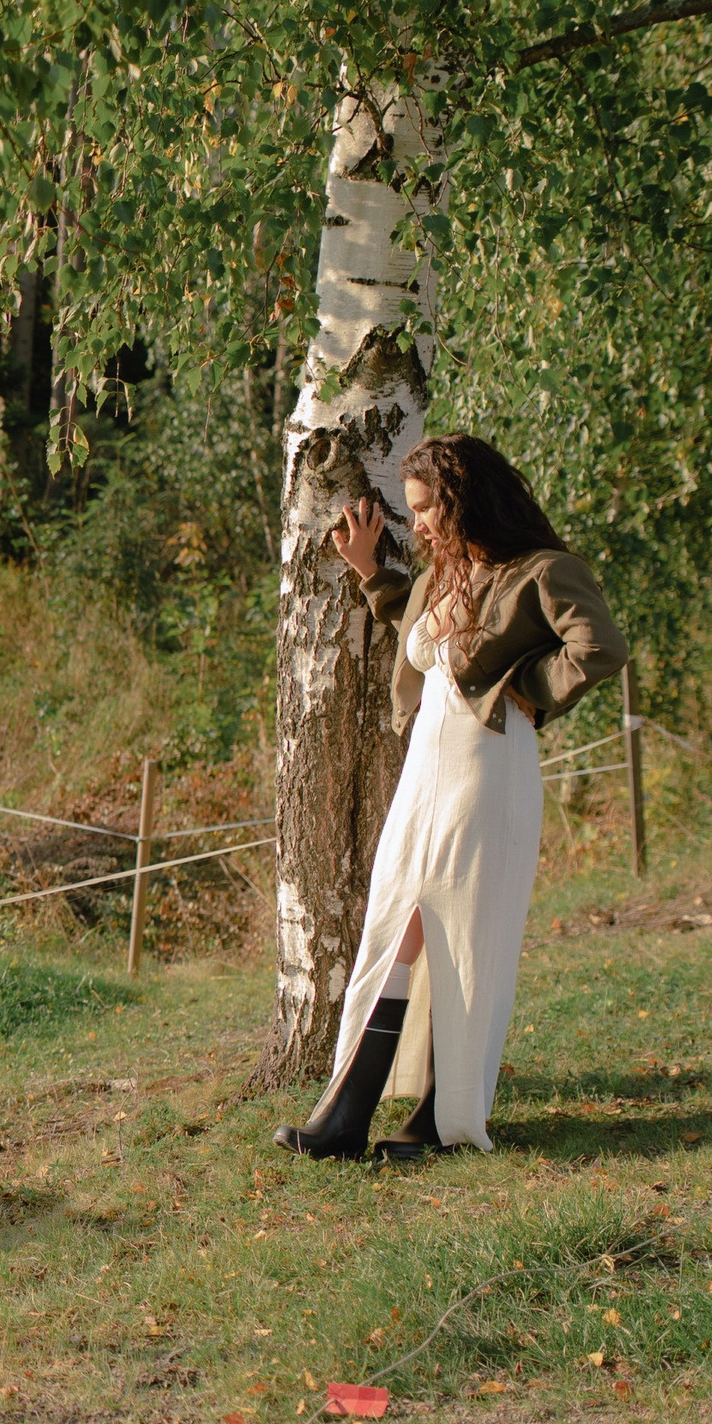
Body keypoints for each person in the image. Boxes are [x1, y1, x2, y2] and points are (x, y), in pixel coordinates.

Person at [274, 434, 629, 1161]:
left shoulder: (543, 571)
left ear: (464, 499)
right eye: (412, 511)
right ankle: (346, 1115)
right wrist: (372, 573)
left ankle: (438, 1123)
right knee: (395, 930)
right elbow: (424, 641)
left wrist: (528, 687)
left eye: (427, 509)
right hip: (424, 776)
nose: (420, 524)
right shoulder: (443, 574)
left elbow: (601, 647)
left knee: (464, 942)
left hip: (488, 772)